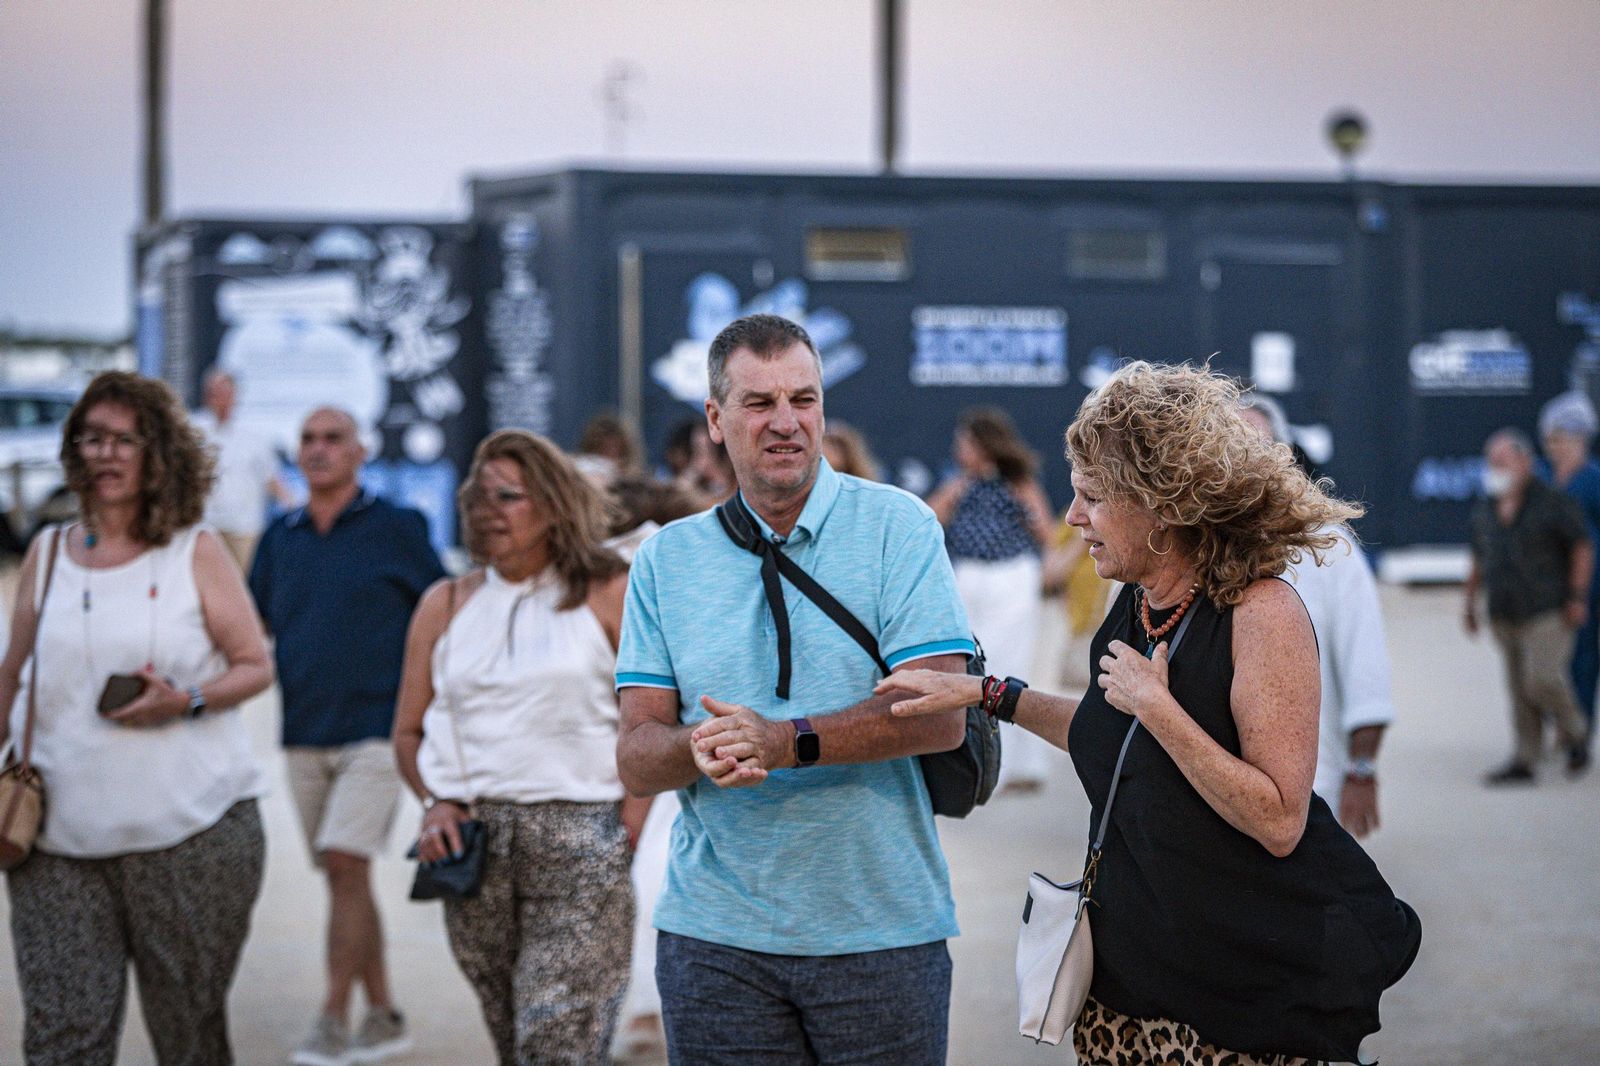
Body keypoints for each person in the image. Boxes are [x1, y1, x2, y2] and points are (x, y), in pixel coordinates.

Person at [879, 361, 1421, 1064]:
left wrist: (1160, 708)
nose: (1073, 520)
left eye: (1091, 499)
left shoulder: (1262, 614)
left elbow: (1280, 819)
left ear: (1159, 505)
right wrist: (989, 694)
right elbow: (1112, 738)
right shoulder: (1137, 602)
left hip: (1243, 1001)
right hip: (1130, 984)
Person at [615, 313, 976, 1066]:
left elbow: (942, 715)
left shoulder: (897, 528)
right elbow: (639, 757)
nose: (786, 423)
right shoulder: (665, 560)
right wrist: (706, 744)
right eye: (758, 403)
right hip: (713, 939)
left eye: (803, 400)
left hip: (880, 931)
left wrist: (782, 741)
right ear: (715, 420)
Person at [0, 371, 274, 1065]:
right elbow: (13, 674)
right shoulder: (47, 553)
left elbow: (254, 663)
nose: (107, 453)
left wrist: (185, 700)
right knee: (63, 1042)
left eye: (126, 438)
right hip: (57, 843)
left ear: (159, 453)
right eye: (92, 437)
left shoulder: (195, 550)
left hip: (189, 837)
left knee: (188, 1040)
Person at [393, 429, 644, 1065]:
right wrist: (435, 802)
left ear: (555, 503)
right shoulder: (444, 603)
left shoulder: (608, 591)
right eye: (479, 498)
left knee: (553, 1040)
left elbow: (650, 718)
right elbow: (408, 731)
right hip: (473, 849)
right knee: (513, 1038)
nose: (488, 511)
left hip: (583, 838)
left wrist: (627, 830)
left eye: (509, 496)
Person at [248, 407, 444, 1065]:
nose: (319, 449)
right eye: (308, 438)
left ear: (361, 452)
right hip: (303, 730)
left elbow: (442, 615)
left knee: (343, 862)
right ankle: (385, 1013)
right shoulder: (281, 538)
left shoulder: (399, 528)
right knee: (345, 879)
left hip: (380, 730)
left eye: (334, 438)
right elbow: (252, 631)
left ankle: (332, 1018)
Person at [1240, 395, 1395, 836]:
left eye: (1257, 445)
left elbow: (1367, 670)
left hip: (1314, 795)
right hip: (1216, 801)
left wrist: (1361, 770)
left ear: (1283, 457)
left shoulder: (1329, 547)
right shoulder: (1188, 549)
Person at [927, 407, 1054, 792]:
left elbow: (1044, 531)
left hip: (1011, 579)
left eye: (965, 442)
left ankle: (1016, 766)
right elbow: (929, 517)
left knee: (1006, 664)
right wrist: (960, 486)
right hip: (968, 578)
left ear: (983, 443)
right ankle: (983, 760)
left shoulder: (1019, 483)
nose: (958, 449)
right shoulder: (959, 485)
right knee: (973, 666)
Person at [1466, 427, 1592, 782]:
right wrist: (1469, 604)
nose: (1495, 469)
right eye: (1491, 462)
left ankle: (1575, 730)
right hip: (1504, 610)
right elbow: (1478, 556)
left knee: (1543, 679)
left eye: (1502, 461)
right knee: (1519, 689)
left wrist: (1577, 596)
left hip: (1547, 609)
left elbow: (1582, 547)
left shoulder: (1553, 501)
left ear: (1524, 462)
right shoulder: (1487, 507)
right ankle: (1525, 757)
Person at [1538, 389, 1600, 747]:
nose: (1553, 446)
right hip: (1549, 584)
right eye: (1550, 439)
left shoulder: (1592, 479)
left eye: (1560, 439)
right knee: (1551, 662)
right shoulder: (1545, 479)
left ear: (1579, 440)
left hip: (1588, 585)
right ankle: (1561, 722)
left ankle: (1580, 728)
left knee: (1584, 659)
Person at [189, 367, 291, 574]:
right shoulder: (192, 429)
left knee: (246, 587)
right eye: (214, 393)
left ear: (235, 394)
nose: (219, 399)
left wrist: (294, 509)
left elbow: (271, 478)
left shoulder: (255, 432)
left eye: (224, 392)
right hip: (204, 525)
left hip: (245, 528)